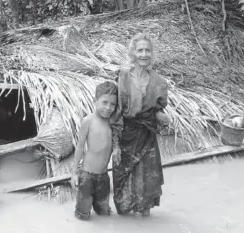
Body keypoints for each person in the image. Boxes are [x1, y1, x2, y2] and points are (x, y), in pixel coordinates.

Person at [109, 33, 171, 218]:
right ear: (132, 54)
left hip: (147, 137)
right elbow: (116, 113)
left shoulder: (159, 82)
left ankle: (144, 221)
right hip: (126, 135)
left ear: (152, 54)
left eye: (147, 50)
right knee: (123, 184)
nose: (144, 54)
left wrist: (162, 117)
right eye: (140, 50)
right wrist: (115, 145)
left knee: (146, 181)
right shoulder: (123, 77)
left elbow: (157, 109)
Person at [71, 81, 118, 220]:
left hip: (103, 177)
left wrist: (117, 149)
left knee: (104, 213)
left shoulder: (113, 123)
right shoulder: (88, 121)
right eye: (104, 102)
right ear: (95, 101)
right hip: (87, 176)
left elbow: (116, 141)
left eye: (113, 104)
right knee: (83, 216)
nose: (108, 108)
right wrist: (74, 173)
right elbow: (80, 147)